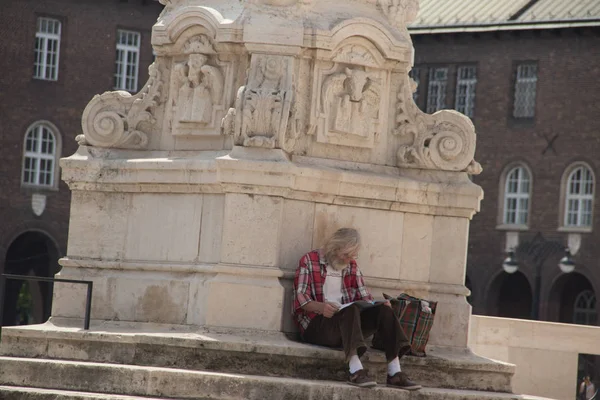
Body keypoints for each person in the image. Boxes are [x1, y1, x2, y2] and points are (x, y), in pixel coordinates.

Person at [292, 228, 421, 390]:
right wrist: (321, 307)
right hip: (317, 326)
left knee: (384, 310)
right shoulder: (309, 261)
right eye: (346, 255)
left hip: (346, 325)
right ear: (334, 248)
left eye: (353, 255)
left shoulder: (351, 266)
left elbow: (364, 297)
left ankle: (395, 371)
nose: (349, 259)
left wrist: (378, 305)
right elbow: (300, 299)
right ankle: (355, 370)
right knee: (351, 311)